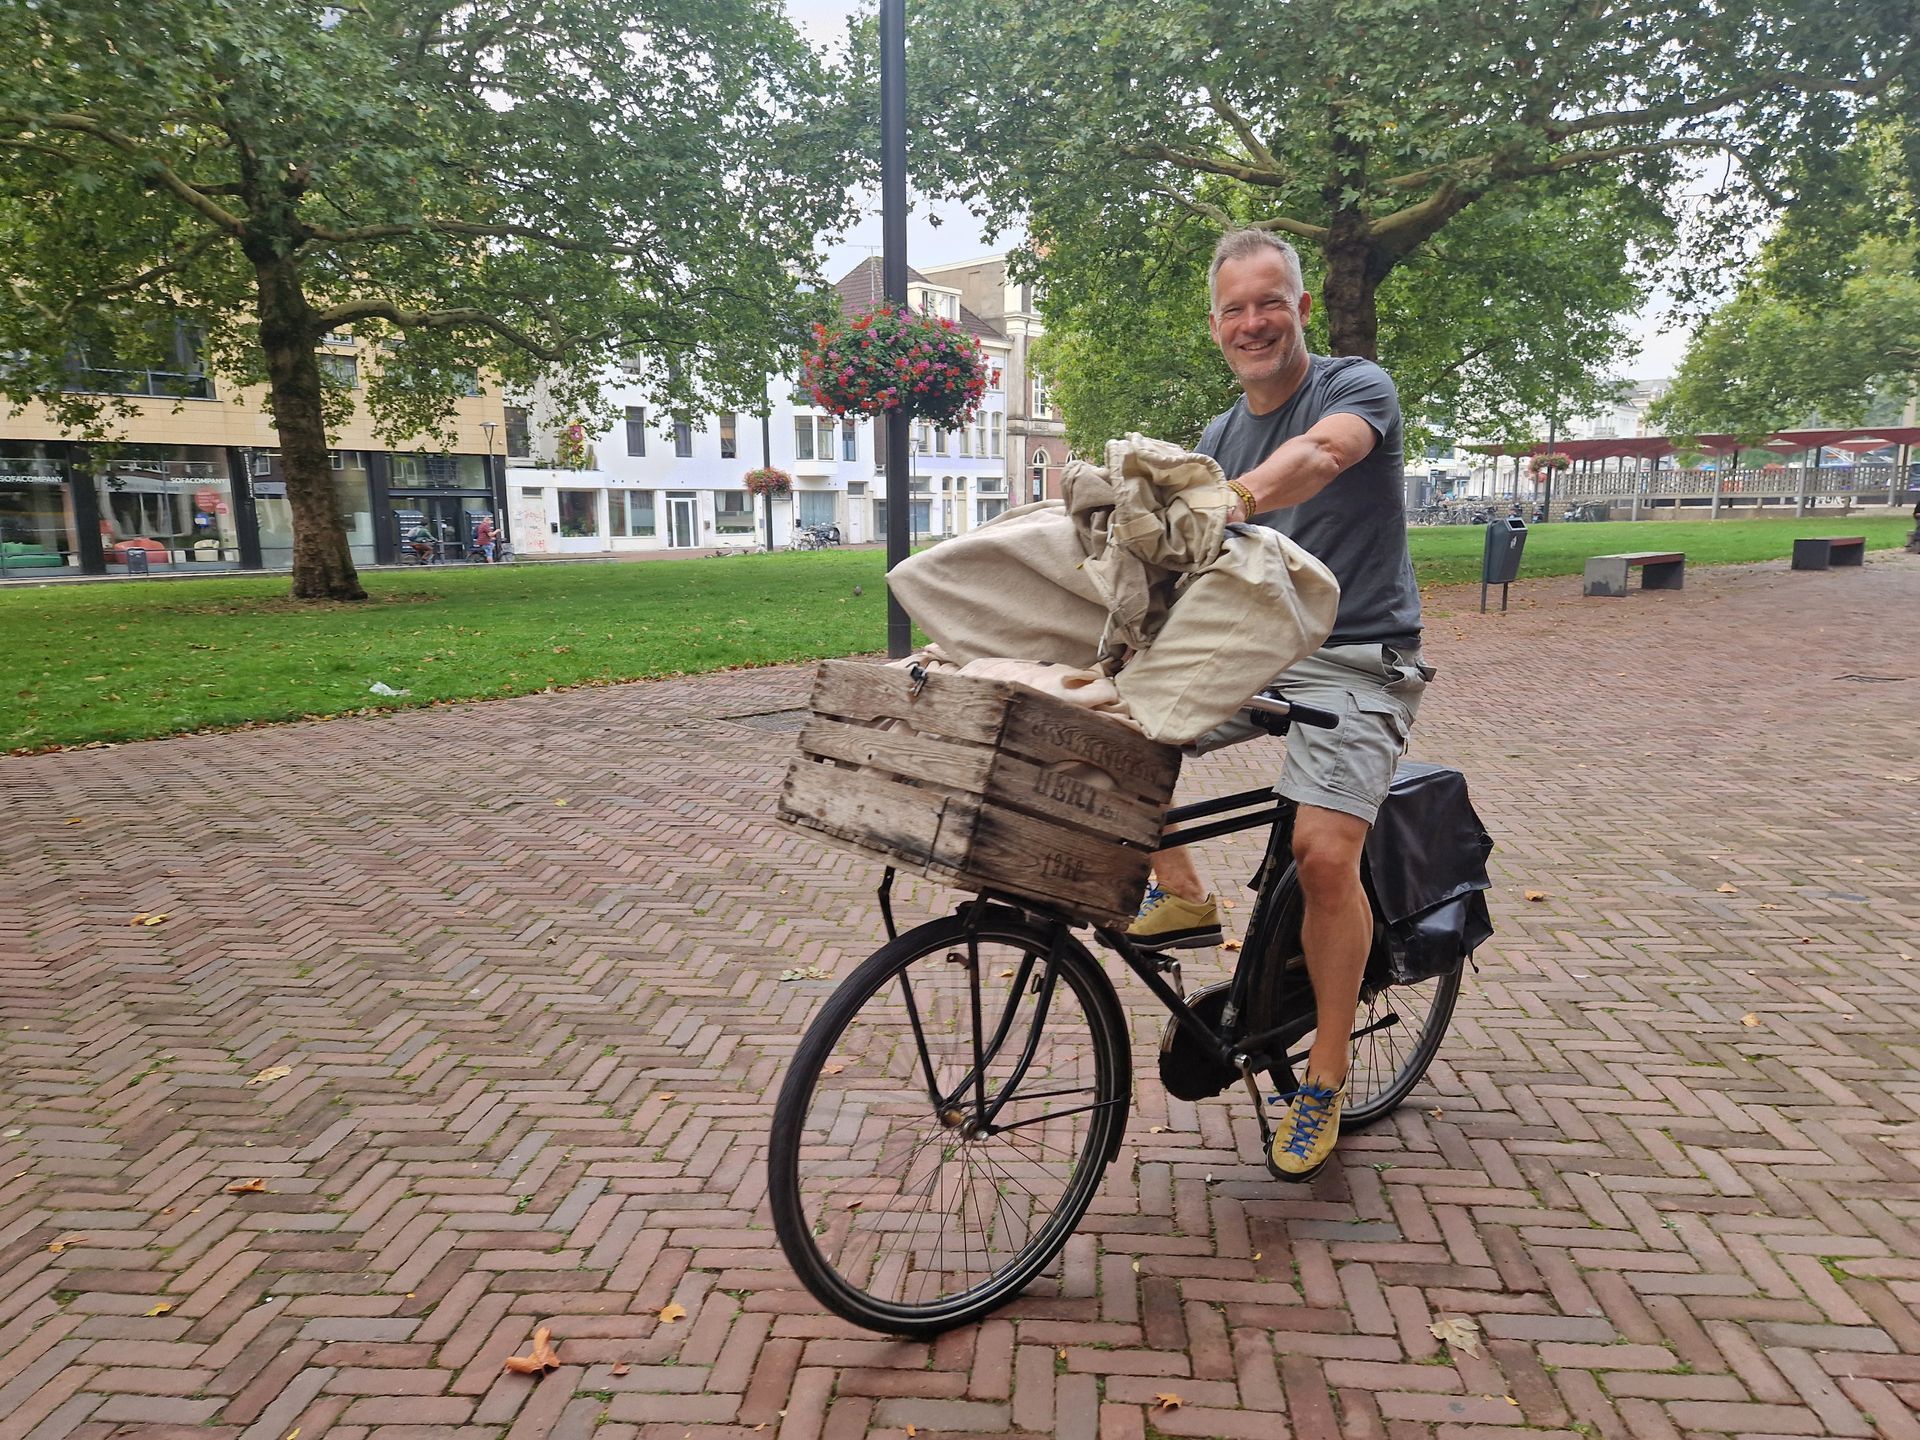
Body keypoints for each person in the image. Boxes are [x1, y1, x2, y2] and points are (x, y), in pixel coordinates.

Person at [1128, 228, 1431, 1183]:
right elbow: (1198, 565)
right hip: (1260, 652)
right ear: (1215, 325)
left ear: (1300, 308)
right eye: (1233, 308)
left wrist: (1232, 499)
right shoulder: (1219, 433)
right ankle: (1181, 896)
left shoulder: (1354, 387)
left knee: (1321, 851)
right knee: (1106, 729)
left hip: (1359, 658)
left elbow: (1325, 456)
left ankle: (1325, 1080)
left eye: (1270, 302)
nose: (1252, 322)